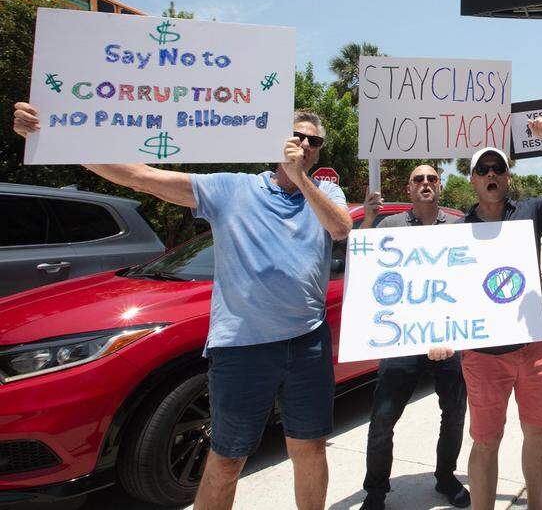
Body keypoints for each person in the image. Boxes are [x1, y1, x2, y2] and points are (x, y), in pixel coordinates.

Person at [13, 102, 352, 510]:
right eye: (297, 137)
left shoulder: (326, 193)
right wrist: (52, 139)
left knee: (310, 447)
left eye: (313, 141)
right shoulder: (232, 188)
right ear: (276, 142)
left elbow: (339, 227)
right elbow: (143, 178)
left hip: (307, 342)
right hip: (243, 347)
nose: (305, 145)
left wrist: (300, 178)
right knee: (227, 458)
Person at [460, 115, 542, 510]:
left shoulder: (530, 212)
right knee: (485, 441)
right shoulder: (456, 230)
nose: (491, 174)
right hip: (482, 355)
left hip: (533, 345)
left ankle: (537, 506)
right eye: (483, 169)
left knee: (538, 432)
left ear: (508, 176)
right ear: (473, 180)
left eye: (498, 167)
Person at [358, 165, 470, 510]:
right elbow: (363, 263)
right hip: (402, 339)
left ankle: (445, 477)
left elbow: (468, 282)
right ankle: (376, 492)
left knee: (453, 413)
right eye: (418, 179)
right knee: (382, 419)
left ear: (440, 186)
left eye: (431, 179)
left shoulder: (459, 227)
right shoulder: (388, 226)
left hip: (447, 339)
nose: (425, 184)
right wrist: (366, 219)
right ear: (408, 189)